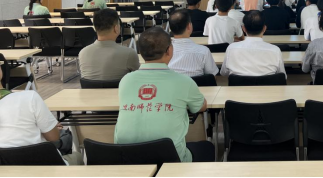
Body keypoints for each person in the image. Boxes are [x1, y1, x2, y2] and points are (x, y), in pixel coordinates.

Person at [115, 27, 214, 163]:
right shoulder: (183, 81)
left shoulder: (126, 80)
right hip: (170, 158)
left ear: (140, 52)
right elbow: (201, 107)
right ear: (169, 50)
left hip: (127, 157)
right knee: (207, 147)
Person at [0, 67, 83, 165]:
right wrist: (43, 128)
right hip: (46, 166)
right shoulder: (29, 98)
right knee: (77, 157)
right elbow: (54, 138)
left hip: (7, 170)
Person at [220, 11, 286, 78]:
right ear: (264, 28)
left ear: (244, 29)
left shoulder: (231, 48)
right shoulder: (275, 50)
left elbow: (224, 72)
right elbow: (282, 76)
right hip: (267, 84)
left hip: (239, 85)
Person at [79, 9, 140, 81]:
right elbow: (137, 78)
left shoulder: (83, 53)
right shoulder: (129, 53)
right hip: (120, 88)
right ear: (116, 28)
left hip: (90, 89)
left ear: (95, 28)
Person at [168, 10, 219, 78]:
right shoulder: (204, 51)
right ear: (189, 26)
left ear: (170, 28)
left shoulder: (164, 52)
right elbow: (212, 76)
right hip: (198, 85)